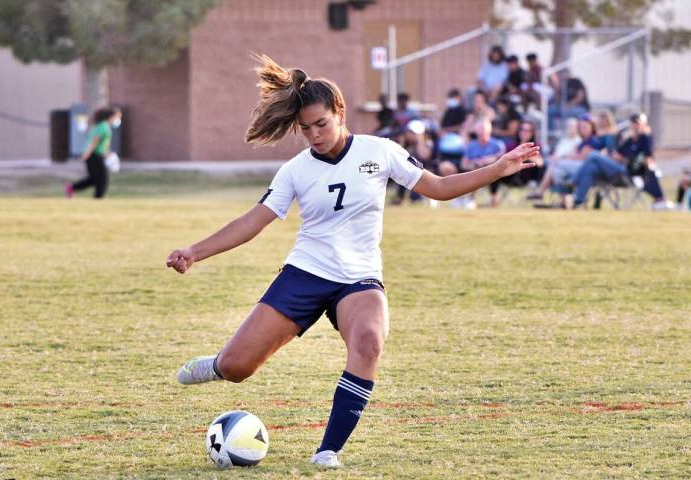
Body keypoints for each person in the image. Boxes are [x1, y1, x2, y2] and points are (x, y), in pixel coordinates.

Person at [166, 54, 539, 468]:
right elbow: (253, 221)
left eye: (321, 124)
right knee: (238, 368)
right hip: (305, 274)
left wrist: (498, 168)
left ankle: (328, 450)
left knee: (368, 342)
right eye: (305, 129)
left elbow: (439, 187)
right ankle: (216, 365)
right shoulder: (295, 171)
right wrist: (194, 252)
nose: (314, 135)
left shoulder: (380, 151)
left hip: (359, 278)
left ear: (340, 112)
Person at [571, 113, 671, 210]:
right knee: (591, 168)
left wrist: (625, 159)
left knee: (593, 155)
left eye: (638, 123)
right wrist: (613, 155)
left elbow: (645, 158)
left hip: (626, 173)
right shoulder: (629, 140)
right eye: (634, 123)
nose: (635, 126)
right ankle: (578, 202)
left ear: (644, 125)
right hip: (615, 169)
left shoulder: (645, 139)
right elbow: (616, 153)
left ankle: (573, 181)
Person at [527, 113, 600, 203]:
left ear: (592, 127)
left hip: (583, 169)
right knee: (556, 171)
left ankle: (541, 192)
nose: (582, 129)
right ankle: (564, 202)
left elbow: (582, 158)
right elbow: (574, 154)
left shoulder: (592, 140)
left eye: (585, 126)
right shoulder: (583, 140)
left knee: (554, 165)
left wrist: (564, 157)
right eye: (580, 127)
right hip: (574, 167)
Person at [439, 119, 507, 208]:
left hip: (491, 173)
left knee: (477, 172)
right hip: (471, 169)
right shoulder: (471, 145)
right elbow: (464, 163)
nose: (482, 132)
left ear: (489, 130)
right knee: (446, 166)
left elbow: (502, 161)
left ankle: (471, 200)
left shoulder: (497, 144)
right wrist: (473, 164)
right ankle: (458, 198)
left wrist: (487, 161)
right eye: (480, 129)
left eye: (484, 129)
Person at [66, 107, 122, 199]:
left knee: (94, 179)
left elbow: (103, 145)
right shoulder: (103, 126)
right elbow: (95, 141)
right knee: (102, 179)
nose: (118, 120)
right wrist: (87, 154)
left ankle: (72, 188)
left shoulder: (103, 125)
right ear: (111, 116)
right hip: (93, 155)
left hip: (96, 154)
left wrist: (107, 154)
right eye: (117, 117)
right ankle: (98, 198)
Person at [391, 119, 435, 205]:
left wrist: (419, 140)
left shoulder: (427, 143)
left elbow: (424, 156)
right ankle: (400, 198)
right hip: (406, 172)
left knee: (415, 196)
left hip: (424, 173)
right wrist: (402, 142)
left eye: (413, 133)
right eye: (409, 132)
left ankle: (416, 198)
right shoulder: (404, 144)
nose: (410, 135)